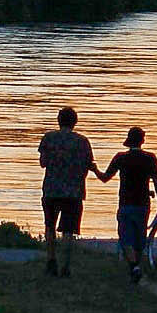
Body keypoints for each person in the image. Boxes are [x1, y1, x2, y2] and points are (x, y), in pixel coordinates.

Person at [95, 125, 157, 285]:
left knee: (126, 238)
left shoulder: (121, 158)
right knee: (139, 239)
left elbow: (105, 178)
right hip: (143, 205)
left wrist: (94, 169)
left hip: (125, 203)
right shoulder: (150, 158)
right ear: (142, 141)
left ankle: (134, 268)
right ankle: (136, 269)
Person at [37, 106, 94, 278]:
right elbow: (87, 165)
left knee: (50, 226)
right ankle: (66, 266)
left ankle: (51, 261)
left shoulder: (49, 138)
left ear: (58, 120)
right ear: (75, 122)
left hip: (51, 189)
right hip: (73, 191)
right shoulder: (82, 141)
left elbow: (43, 163)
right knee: (69, 230)